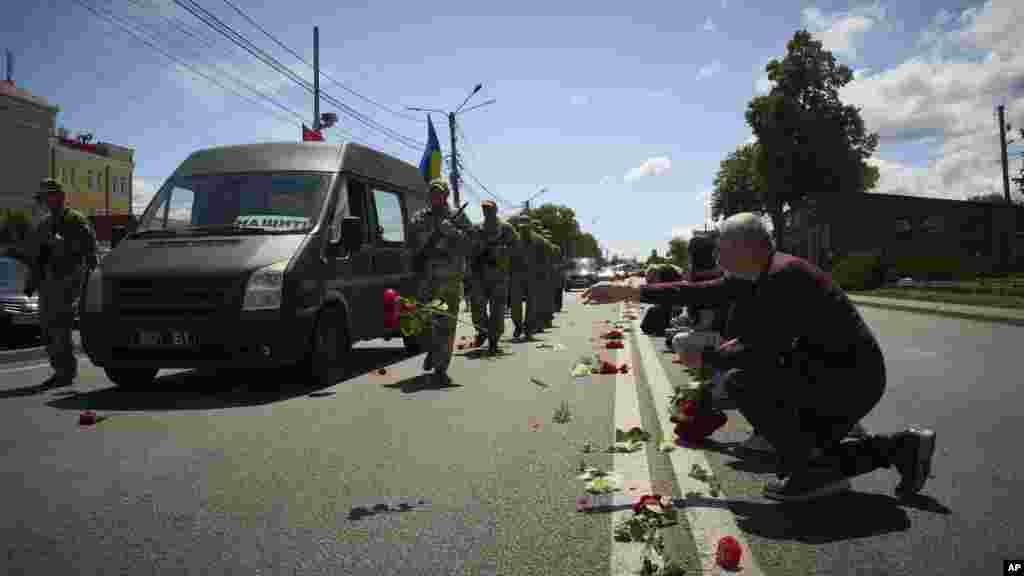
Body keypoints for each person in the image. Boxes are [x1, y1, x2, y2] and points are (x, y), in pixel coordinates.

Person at [582, 212, 937, 503]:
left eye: (723, 248)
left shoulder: (785, 278)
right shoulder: (757, 272)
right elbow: (697, 292)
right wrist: (627, 290)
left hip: (846, 380)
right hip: (834, 374)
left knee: (743, 383)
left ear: (748, 248)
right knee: (814, 459)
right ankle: (901, 448)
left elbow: (761, 350)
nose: (717, 257)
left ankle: (812, 473)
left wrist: (708, 362)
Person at [22, 178, 98, 387]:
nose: (46, 201)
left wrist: (65, 246)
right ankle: (59, 369)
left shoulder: (75, 220)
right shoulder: (44, 224)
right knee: (47, 329)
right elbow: (37, 257)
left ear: (60, 197)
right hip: (47, 283)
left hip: (68, 280)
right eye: (44, 198)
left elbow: (90, 252)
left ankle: (65, 372)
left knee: (60, 328)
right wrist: (31, 282)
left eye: (49, 196)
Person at [408, 179, 473, 385]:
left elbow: (472, 243)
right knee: (424, 321)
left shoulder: (458, 216)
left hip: (450, 278)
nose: (437, 197)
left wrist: (453, 232)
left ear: (446, 195)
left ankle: (440, 368)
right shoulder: (419, 217)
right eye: (433, 193)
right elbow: (410, 242)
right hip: (426, 277)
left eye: (440, 193)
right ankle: (433, 350)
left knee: (446, 323)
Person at [470, 200, 518, 354]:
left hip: (499, 275)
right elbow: (468, 248)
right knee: (477, 308)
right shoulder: (477, 228)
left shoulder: (505, 229)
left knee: (497, 310)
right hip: (479, 275)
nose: (486, 212)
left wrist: (502, 251)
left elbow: (516, 248)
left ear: (495, 210)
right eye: (484, 209)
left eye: (489, 209)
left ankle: (494, 340)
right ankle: (482, 331)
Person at [508, 215, 539, 340]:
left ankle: (529, 329)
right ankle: (518, 326)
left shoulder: (538, 240)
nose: (524, 229)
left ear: (530, 226)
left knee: (532, 304)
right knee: (515, 304)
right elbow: (508, 257)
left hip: (532, 276)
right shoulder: (513, 240)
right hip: (516, 275)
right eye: (522, 227)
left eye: (526, 226)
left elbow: (543, 260)